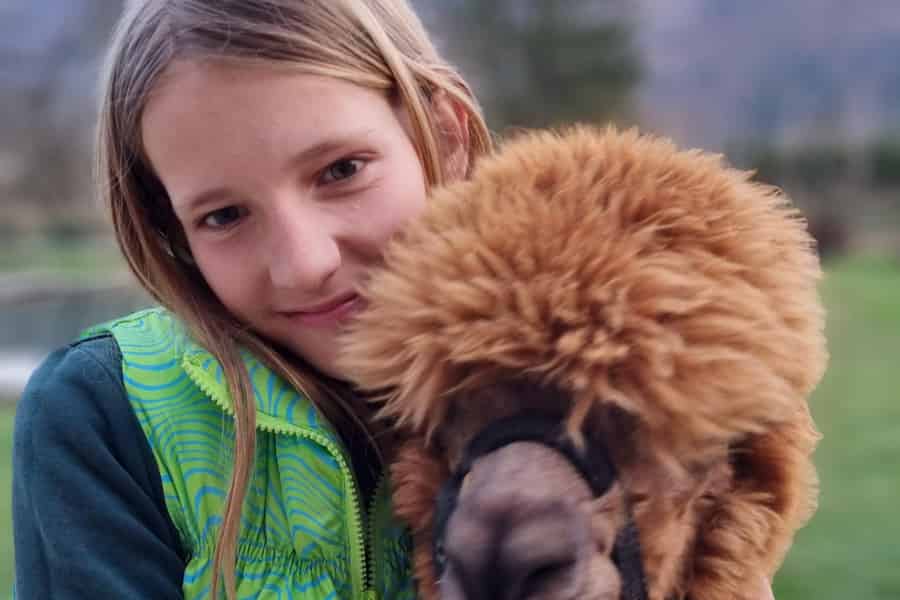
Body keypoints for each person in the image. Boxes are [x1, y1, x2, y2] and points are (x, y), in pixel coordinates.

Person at [11, 1, 777, 599]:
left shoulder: (591, 379)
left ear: (438, 132)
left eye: (341, 170)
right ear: (169, 228)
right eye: (223, 216)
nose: (305, 263)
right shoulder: (106, 416)